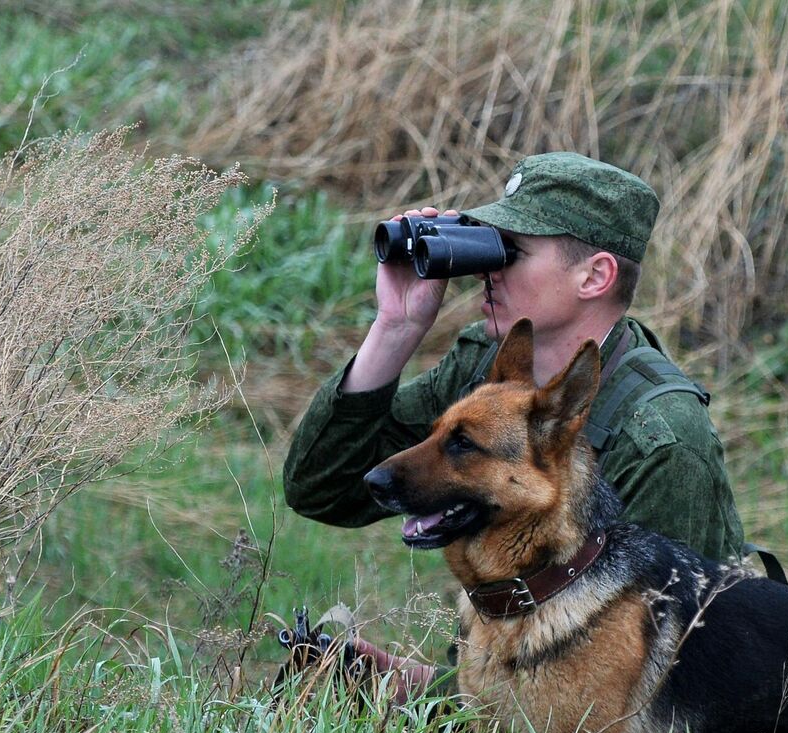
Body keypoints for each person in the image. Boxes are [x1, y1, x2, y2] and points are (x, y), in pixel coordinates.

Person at [281, 152, 745, 698]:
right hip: (508, 685)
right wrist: (395, 327)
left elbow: (666, 675)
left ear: (595, 275)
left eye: (512, 251)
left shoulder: (661, 436)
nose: (486, 268)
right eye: (488, 244)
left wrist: (432, 699)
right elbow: (326, 491)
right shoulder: (489, 368)